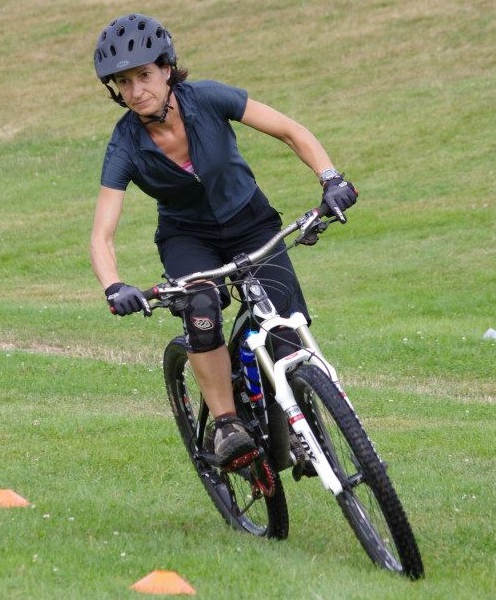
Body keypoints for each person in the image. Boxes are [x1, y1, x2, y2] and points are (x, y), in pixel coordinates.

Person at [89, 14, 357, 469]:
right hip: (187, 238)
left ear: (167, 69)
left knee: (286, 329)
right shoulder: (125, 146)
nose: (136, 90)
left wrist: (330, 178)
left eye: (144, 75)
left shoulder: (209, 99)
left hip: (251, 223)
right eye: (124, 82)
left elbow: (290, 130)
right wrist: (114, 285)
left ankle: (299, 422)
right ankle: (227, 424)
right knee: (201, 309)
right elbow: (102, 234)